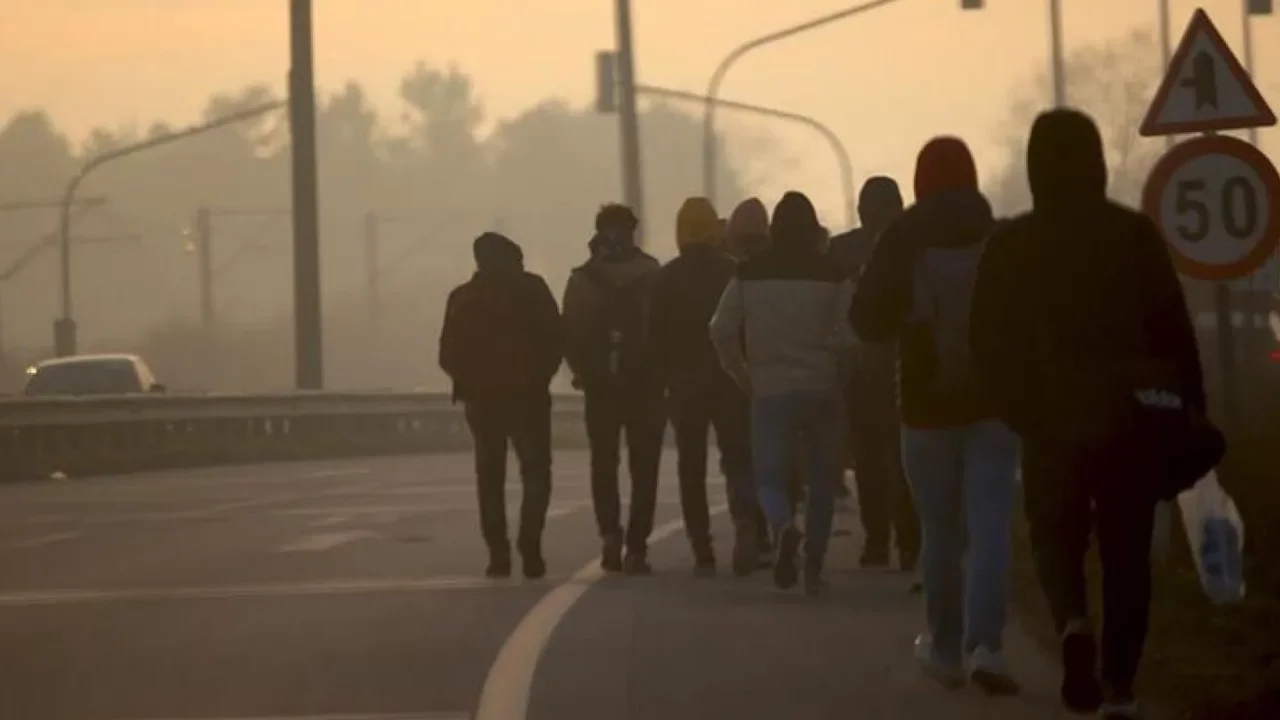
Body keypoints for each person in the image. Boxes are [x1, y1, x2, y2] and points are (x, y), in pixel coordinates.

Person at [969, 109, 1207, 720]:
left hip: (1050, 419)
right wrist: (1190, 412)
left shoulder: (1012, 244)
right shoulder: (1132, 236)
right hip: (1130, 420)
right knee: (1128, 552)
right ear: (1098, 161)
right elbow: (1174, 332)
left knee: (1055, 535)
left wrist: (1017, 408)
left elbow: (985, 344)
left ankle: (1073, 622)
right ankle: (1120, 686)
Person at [850, 137, 1020, 695]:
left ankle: (945, 649)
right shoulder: (998, 235)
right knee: (990, 521)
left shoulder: (902, 237)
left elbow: (865, 318)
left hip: (924, 404)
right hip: (994, 402)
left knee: (941, 529)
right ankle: (988, 646)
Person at [710, 191, 854, 595]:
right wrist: (840, 371)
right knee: (823, 482)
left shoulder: (749, 272)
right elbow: (851, 336)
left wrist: (740, 372)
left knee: (769, 478)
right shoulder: (835, 273)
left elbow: (719, 328)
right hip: (822, 386)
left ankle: (782, 526)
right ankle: (813, 571)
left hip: (769, 389)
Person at [438, 232, 562, 580]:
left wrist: (470, 382)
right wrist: (539, 377)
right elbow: (556, 337)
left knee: (490, 477)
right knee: (536, 471)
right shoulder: (533, 290)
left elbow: (447, 353)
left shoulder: (463, 298)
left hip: (482, 402)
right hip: (529, 398)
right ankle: (530, 543)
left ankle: (498, 553)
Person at [648, 197, 755, 576]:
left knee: (690, 466)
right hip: (729, 381)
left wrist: (660, 382)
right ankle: (746, 527)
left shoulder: (665, 277)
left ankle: (702, 548)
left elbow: (654, 339)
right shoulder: (734, 272)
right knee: (739, 457)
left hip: (684, 386)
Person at [562, 203, 665, 575]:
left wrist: (581, 372)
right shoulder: (653, 274)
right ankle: (637, 546)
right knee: (644, 466)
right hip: (646, 385)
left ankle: (609, 535)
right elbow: (665, 330)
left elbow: (568, 333)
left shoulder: (582, 280)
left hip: (601, 387)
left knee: (604, 463)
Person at [828, 177, 921, 577]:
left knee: (867, 458)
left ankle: (877, 541)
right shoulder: (915, 246)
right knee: (904, 457)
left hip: (858, 366)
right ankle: (910, 541)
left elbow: (831, 307)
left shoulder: (842, 250)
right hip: (906, 363)